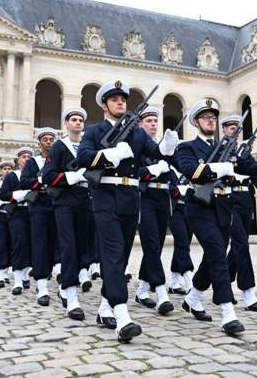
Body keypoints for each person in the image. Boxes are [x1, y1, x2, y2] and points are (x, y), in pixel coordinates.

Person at [174, 99, 257, 335]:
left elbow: (247, 166)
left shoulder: (227, 148)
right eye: (205, 117)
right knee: (217, 253)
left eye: (212, 116)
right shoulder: (187, 147)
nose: (210, 120)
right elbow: (190, 171)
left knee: (211, 256)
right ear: (196, 122)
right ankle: (228, 313)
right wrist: (219, 169)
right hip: (199, 207)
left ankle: (193, 298)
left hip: (223, 208)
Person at [76, 80, 179, 343]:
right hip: (105, 197)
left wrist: (167, 146)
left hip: (130, 198)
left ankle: (103, 308)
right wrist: (110, 154)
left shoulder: (137, 133)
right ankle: (122, 316)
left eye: (123, 99)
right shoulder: (94, 130)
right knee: (111, 253)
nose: (121, 102)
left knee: (120, 256)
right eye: (115, 99)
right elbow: (84, 158)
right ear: (104, 104)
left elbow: (156, 154)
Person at [41, 107, 99, 322]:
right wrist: (70, 177)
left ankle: (67, 286)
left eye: (80, 120)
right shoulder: (59, 147)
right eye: (73, 120)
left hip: (85, 200)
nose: (77, 123)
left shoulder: (87, 146)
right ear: (66, 124)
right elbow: (48, 176)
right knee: (68, 246)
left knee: (83, 246)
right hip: (65, 201)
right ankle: (71, 296)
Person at [221, 114, 257, 312]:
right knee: (242, 245)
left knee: (238, 246)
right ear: (224, 130)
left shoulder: (244, 151)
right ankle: (249, 294)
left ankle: (225, 284)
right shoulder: (219, 150)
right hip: (228, 201)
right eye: (230, 127)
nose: (234, 130)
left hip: (245, 201)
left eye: (237, 127)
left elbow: (256, 172)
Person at [134, 106, 174, 315]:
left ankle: (141, 290)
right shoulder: (137, 146)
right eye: (148, 121)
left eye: (155, 121)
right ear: (140, 124)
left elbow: (175, 170)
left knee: (155, 245)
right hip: (145, 196)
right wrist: (151, 171)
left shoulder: (163, 146)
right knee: (150, 243)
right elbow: (134, 172)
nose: (153, 124)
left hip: (162, 198)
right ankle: (160, 292)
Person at [20, 127, 63, 307]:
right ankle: (42, 285)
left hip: (57, 203)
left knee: (57, 242)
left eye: (51, 139)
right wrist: (40, 180)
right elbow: (24, 181)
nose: (48, 141)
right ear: (39, 142)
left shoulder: (59, 160)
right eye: (45, 139)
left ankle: (59, 277)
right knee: (40, 243)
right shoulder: (33, 162)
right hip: (39, 205)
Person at [0, 147, 35, 295]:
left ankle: (26, 272)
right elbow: (3, 195)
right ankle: (18, 280)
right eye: (23, 156)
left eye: (28, 157)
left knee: (32, 244)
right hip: (18, 212)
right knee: (19, 244)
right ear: (18, 160)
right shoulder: (12, 176)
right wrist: (17, 195)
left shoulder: (35, 175)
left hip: (33, 212)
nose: (26, 159)